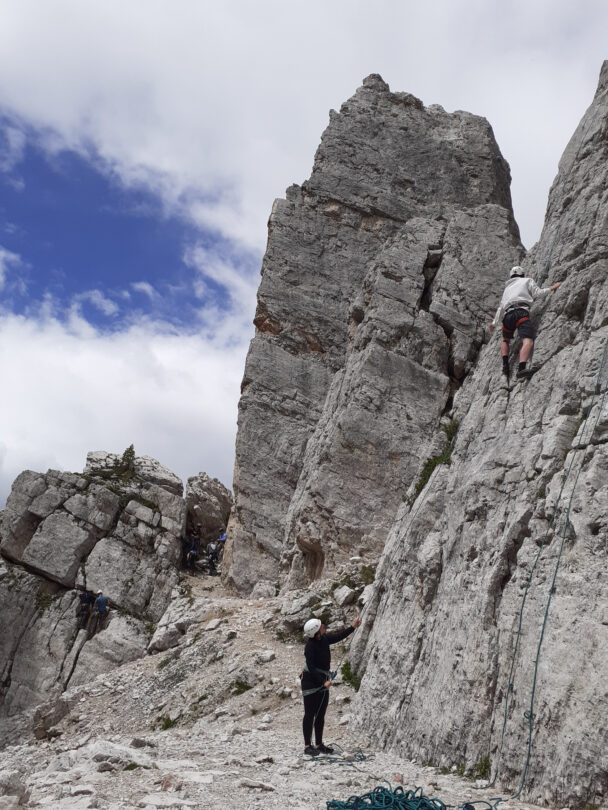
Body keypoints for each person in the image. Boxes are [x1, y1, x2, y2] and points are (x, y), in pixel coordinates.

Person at [300, 615, 362, 757]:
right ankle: (307, 746)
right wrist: (323, 682)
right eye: (321, 626)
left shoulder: (324, 639)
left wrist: (353, 627)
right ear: (316, 631)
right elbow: (311, 667)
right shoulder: (310, 647)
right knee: (309, 714)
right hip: (311, 682)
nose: (324, 627)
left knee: (320, 714)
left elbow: (338, 637)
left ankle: (319, 744)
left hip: (322, 680)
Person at [489, 266, 561, 379]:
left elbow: (501, 308)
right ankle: (521, 369)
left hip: (508, 315)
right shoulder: (527, 280)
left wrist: (494, 323)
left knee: (505, 340)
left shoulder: (507, 289)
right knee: (528, 341)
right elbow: (538, 293)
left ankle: (505, 365)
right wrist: (553, 287)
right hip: (521, 312)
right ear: (522, 274)